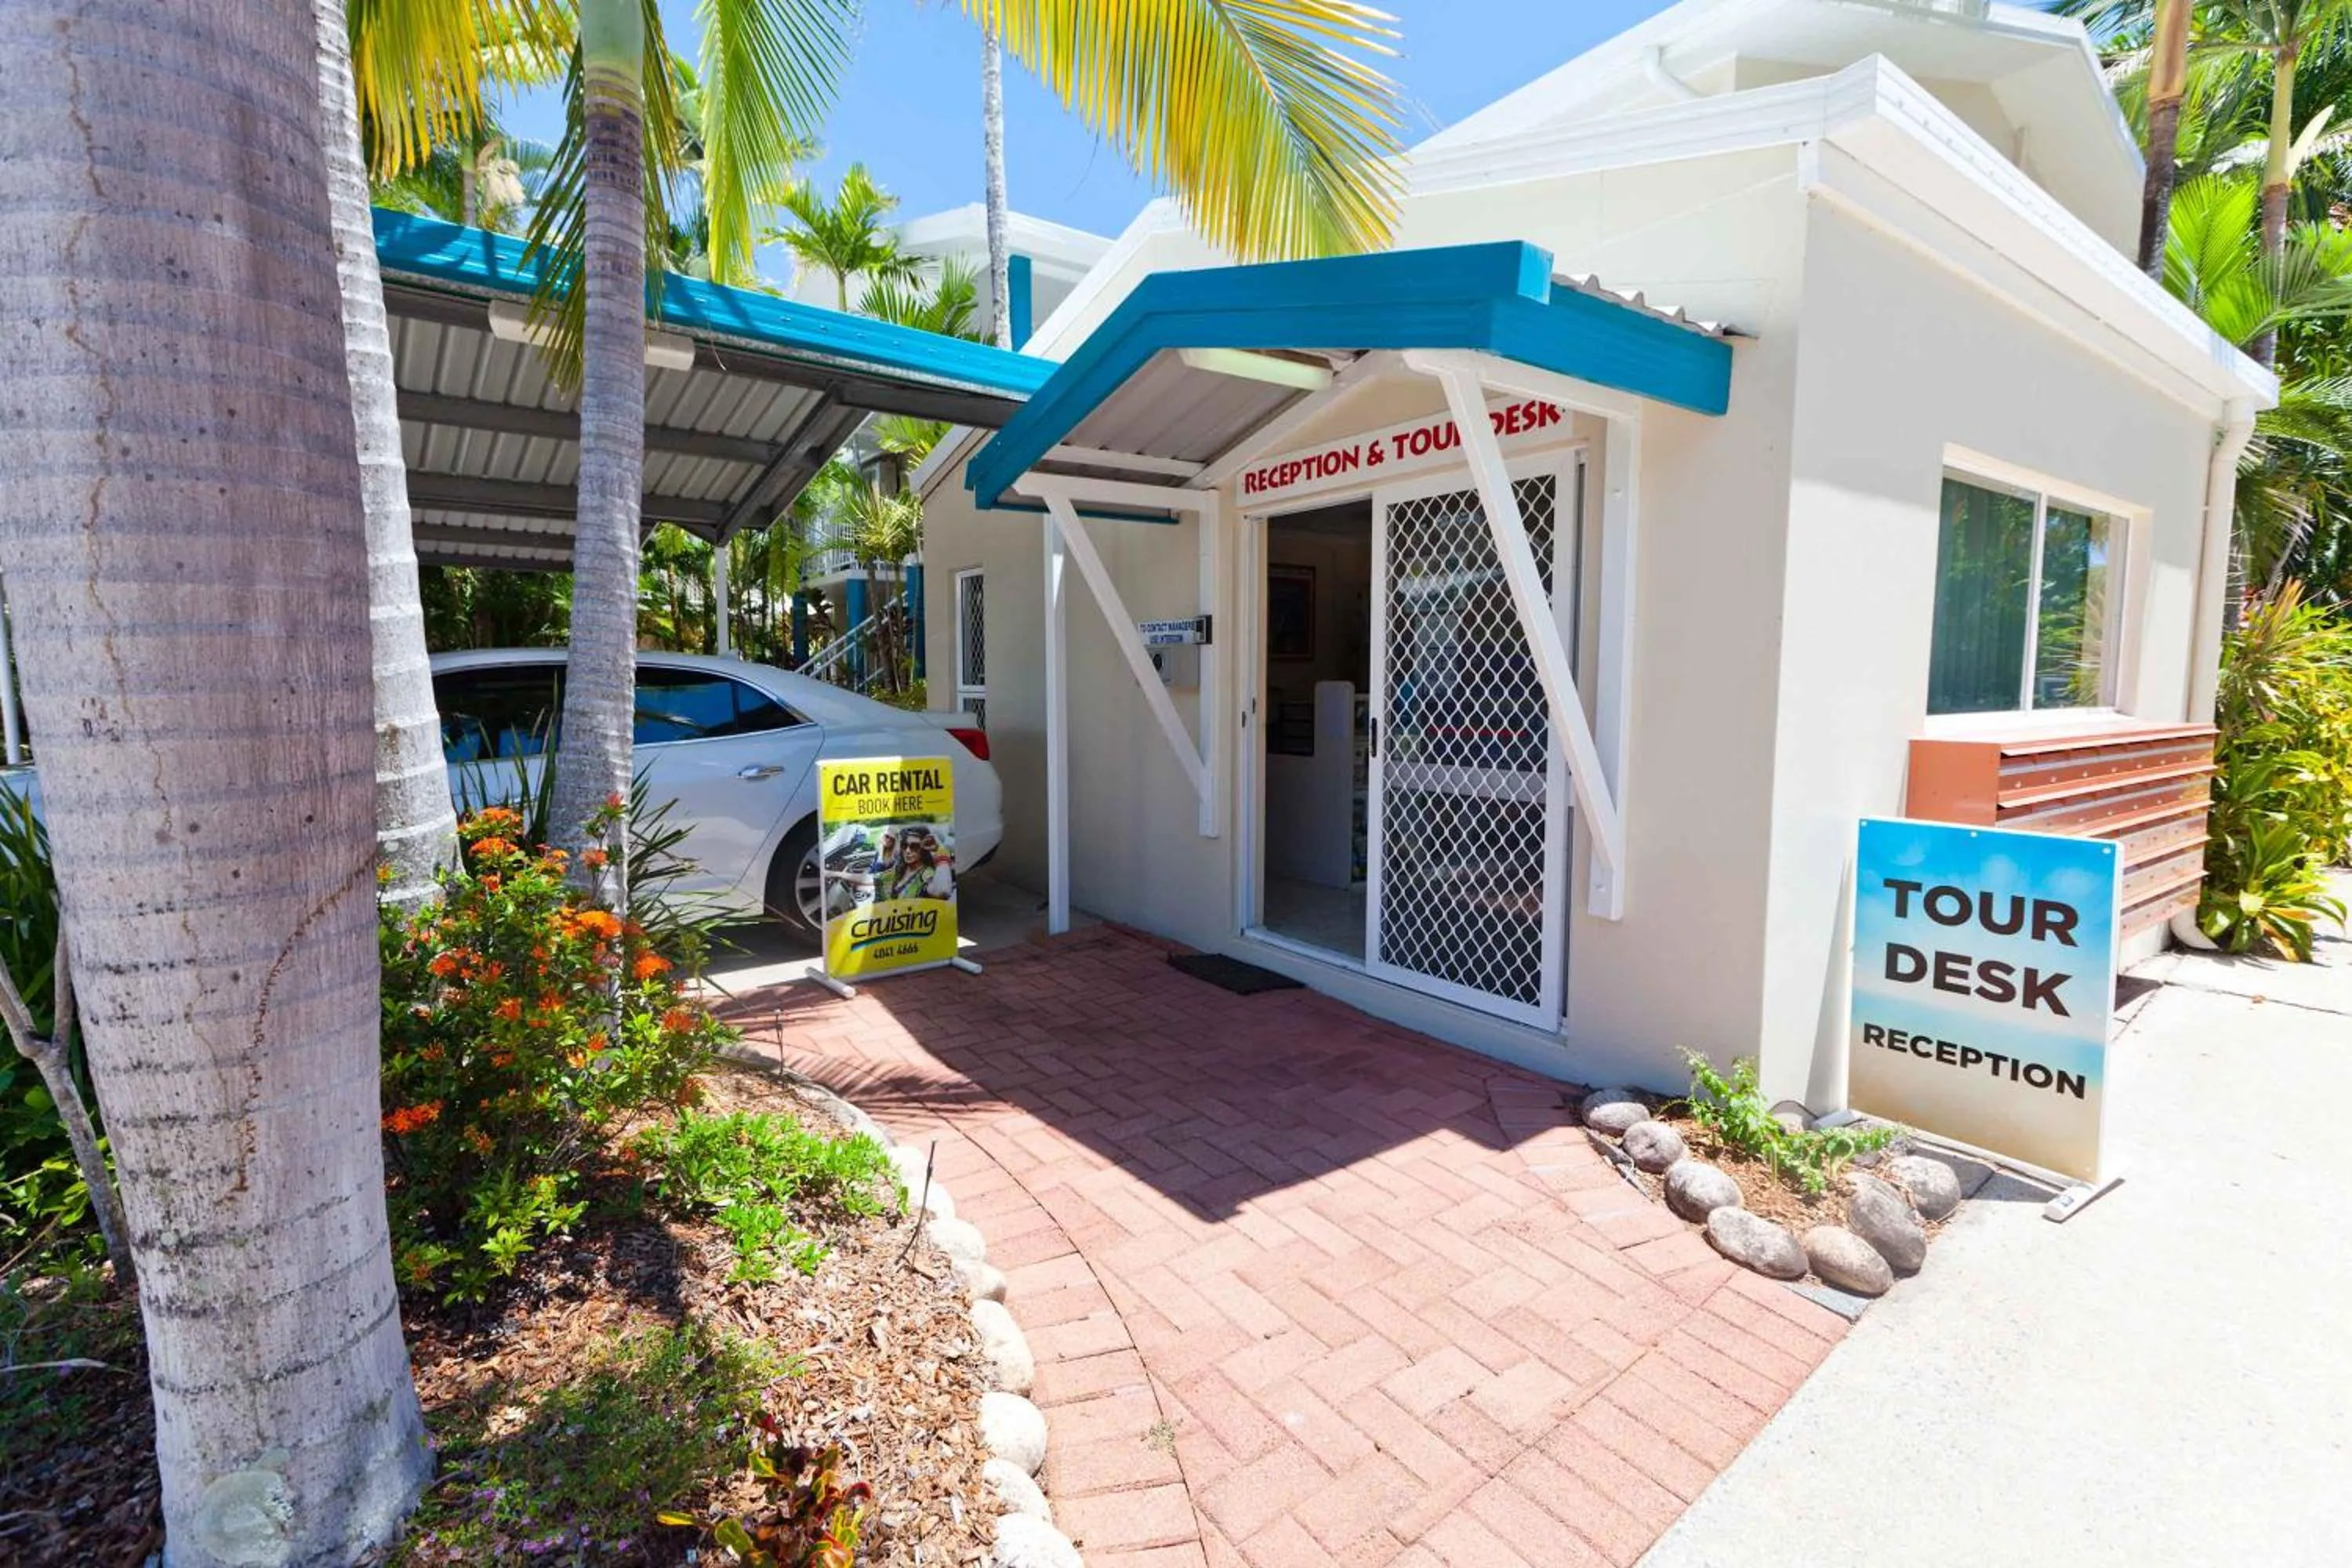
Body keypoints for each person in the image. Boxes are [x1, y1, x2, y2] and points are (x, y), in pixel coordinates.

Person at [876, 824, 954, 902]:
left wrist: (939, 849)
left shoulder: (927, 874)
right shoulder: (898, 868)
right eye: (904, 845)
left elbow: (943, 891)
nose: (908, 851)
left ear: (924, 849)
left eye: (914, 846)